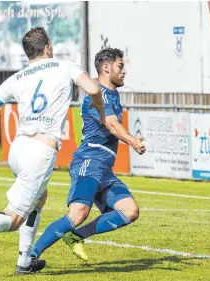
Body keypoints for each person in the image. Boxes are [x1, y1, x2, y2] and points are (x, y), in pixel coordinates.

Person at [0, 27, 104, 275]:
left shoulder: (18, 77)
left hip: (18, 149)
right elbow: (94, 89)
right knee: (13, 219)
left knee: (40, 198)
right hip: (40, 152)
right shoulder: (66, 65)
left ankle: (25, 261)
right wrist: (100, 109)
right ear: (47, 47)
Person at [30, 48, 146, 261]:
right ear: (106, 67)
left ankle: (76, 236)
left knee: (130, 211)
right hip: (89, 161)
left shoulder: (111, 93)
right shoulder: (97, 95)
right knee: (78, 213)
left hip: (104, 168)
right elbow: (111, 124)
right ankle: (30, 255)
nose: (124, 72)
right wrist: (132, 141)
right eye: (120, 66)